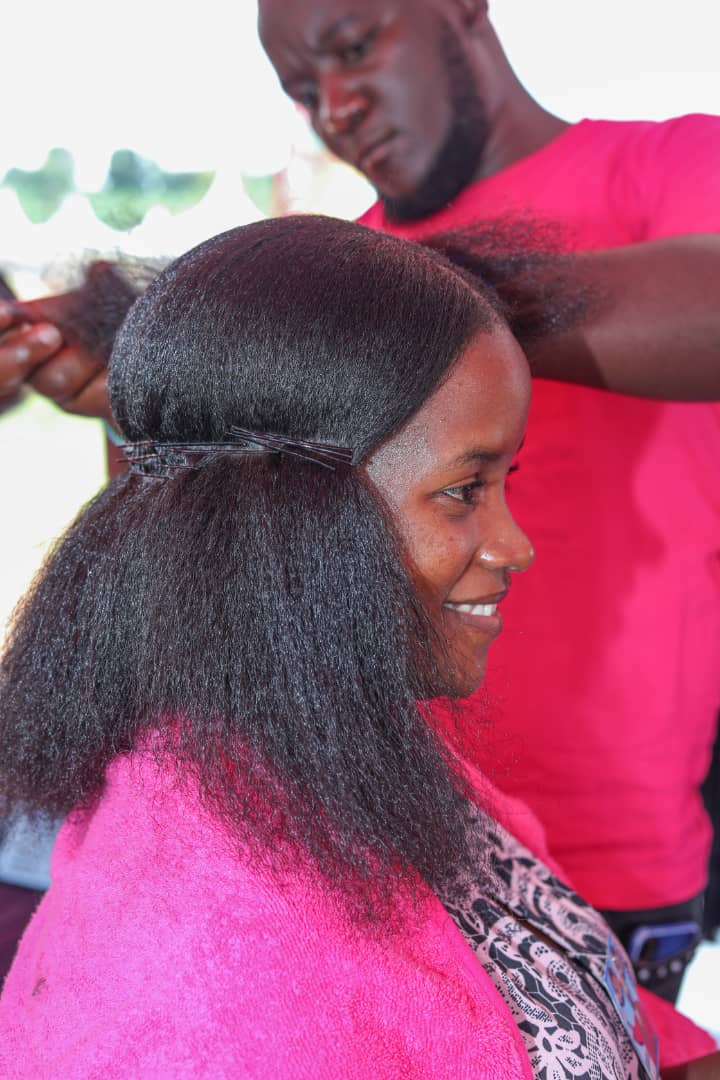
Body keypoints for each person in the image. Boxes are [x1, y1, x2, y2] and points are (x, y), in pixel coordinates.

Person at [0, 213, 718, 1078]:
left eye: (503, 483)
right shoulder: (212, 1000)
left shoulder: (344, 761)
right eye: (464, 491)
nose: (514, 545)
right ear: (284, 516)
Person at [257, 0, 720, 1001]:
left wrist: (418, 304)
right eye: (301, 90)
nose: (335, 107)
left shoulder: (671, 163)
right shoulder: (348, 268)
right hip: (390, 836)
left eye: (352, 47)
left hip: (614, 845)